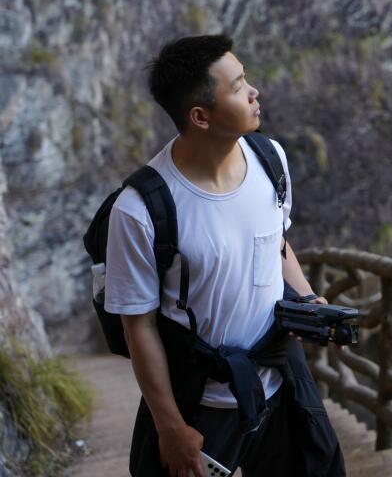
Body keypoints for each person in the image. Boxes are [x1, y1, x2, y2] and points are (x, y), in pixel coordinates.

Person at [105, 34, 345, 477]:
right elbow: (138, 326)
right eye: (237, 87)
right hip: (202, 402)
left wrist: (308, 299)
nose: (254, 92)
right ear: (200, 116)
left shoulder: (270, 158)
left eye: (246, 78)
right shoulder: (141, 210)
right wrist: (170, 428)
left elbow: (276, 243)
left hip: (281, 381)